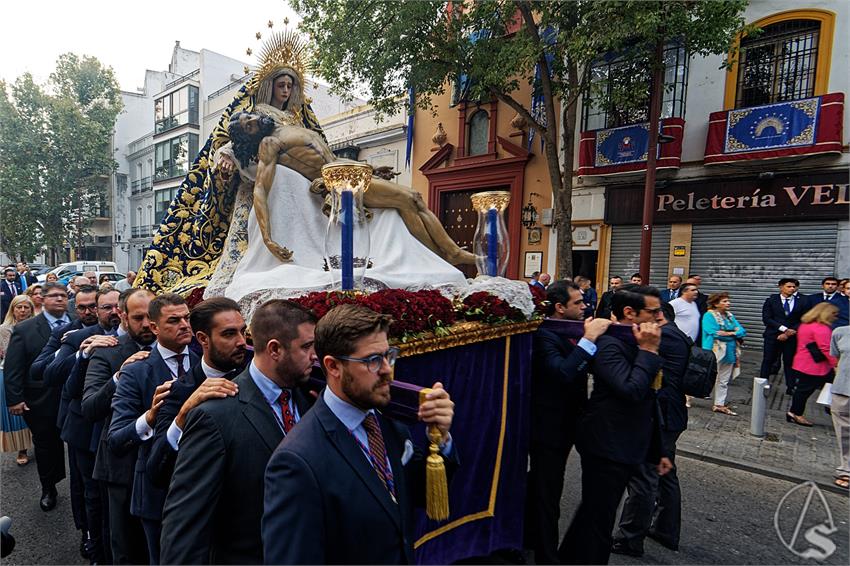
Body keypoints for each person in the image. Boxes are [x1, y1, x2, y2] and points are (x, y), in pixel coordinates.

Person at [261, 303, 456, 564]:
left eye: (389, 355)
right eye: (373, 361)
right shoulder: (297, 461)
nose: (387, 369)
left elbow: (414, 495)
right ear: (333, 366)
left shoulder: (389, 425)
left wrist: (440, 439)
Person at [160, 299, 317, 564]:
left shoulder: (310, 398)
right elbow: (185, 527)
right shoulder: (216, 416)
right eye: (306, 347)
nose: (315, 356)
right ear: (275, 349)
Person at [559, 284, 667, 565]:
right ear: (630, 312)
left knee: (593, 514)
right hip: (606, 445)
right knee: (599, 520)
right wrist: (649, 353)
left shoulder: (638, 340)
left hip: (629, 444)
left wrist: (660, 450)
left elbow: (649, 402)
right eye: (653, 312)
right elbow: (631, 390)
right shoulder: (610, 345)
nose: (660, 319)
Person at [525, 282, 611, 563]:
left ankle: (528, 539)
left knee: (547, 490)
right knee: (547, 495)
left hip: (570, 422)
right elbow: (563, 372)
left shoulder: (573, 331)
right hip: (548, 428)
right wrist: (589, 341)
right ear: (560, 307)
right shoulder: (547, 335)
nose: (584, 306)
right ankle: (546, 556)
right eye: (577, 302)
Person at [107, 293, 197, 564]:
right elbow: (116, 438)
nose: (184, 325)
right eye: (174, 320)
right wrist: (150, 416)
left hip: (202, 489)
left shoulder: (206, 359)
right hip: (157, 494)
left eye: (187, 318)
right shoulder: (137, 371)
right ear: (155, 327)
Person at [82, 287, 156, 565]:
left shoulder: (177, 351)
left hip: (163, 466)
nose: (147, 325)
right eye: (138, 318)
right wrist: (119, 376)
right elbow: (89, 407)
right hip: (121, 465)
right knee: (126, 547)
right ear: (123, 317)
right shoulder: (108, 353)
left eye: (151, 317)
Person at [47, 288, 120, 564]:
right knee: (90, 493)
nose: (112, 312)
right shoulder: (77, 337)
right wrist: (83, 353)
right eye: (105, 308)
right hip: (84, 429)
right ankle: (92, 542)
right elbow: (51, 375)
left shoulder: (142, 338)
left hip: (119, 429)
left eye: (116, 307)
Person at [612, 302, 690, 557]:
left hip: (663, 414)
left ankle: (630, 537)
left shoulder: (665, 337)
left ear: (658, 316)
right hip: (673, 412)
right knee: (666, 475)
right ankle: (666, 530)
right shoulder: (678, 334)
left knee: (646, 476)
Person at [146, 297, 246, 489]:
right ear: (202, 338)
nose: (241, 342)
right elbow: (156, 471)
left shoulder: (255, 381)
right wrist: (183, 417)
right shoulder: (178, 392)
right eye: (229, 334)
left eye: (242, 331)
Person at [3, 282, 72, 512]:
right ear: (41, 299)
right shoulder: (26, 329)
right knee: (46, 445)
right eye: (53, 296)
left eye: (63, 295)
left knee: (77, 444)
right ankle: (48, 488)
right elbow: (14, 367)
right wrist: (14, 399)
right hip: (41, 399)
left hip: (73, 396)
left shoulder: (77, 322)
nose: (60, 299)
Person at [787, 302, 838, 427]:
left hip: (803, 362)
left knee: (804, 389)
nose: (835, 317)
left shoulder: (805, 325)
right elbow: (826, 348)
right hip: (815, 365)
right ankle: (795, 413)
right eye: (834, 314)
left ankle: (795, 412)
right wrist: (836, 364)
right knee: (804, 390)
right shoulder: (821, 328)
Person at [0, 295, 35, 466]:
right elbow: (9, 355)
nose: (22, 311)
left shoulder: (39, 326)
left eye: (26, 307)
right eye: (19, 307)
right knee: (19, 414)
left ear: (31, 309)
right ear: (12, 309)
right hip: (14, 374)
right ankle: (22, 449)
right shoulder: (5, 329)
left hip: (35, 374)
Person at [702, 292, 746, 416]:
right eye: (724, 301)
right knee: (705, 376)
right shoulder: (709, 315)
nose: (728, 303)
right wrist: (733, 333)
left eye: (728, 301)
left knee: (723, 379)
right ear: (716, 304)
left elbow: (742, 331)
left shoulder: (730, 316)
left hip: (730, 351)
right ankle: (687, 395)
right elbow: (713, 332)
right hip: (714, 350)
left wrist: (730, 333)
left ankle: (719, 404)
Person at [761, 278, 806, 394]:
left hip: (791, 337)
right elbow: (767, 318)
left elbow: (804, 319)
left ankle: (791, 387)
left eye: (794, 287)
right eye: (789, 286)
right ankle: (762, 384)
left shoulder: (801, 301)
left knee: (789, 362)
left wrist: (790, 332)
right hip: (773, 336)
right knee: (768, 360)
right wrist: (783, 329)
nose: (792, 289)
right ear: (781, 287)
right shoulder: (771, 300)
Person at [829, 322, 850, 489]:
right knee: (844, 433)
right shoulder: (840, 332)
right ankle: (846, 469)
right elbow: (836, 360)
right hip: (842, 389)